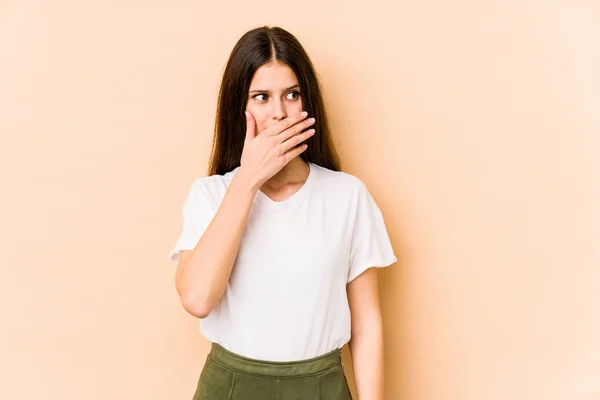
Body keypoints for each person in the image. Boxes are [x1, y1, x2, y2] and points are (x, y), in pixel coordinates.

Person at [169, 25, 397, 400]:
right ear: (239, 109)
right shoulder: (211, 195)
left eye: (291, 95)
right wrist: (248, 181)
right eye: (261, 97)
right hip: (230, 388)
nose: (279, 113)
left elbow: (367, 323)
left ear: (307, 103)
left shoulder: (347, 196)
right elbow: (196, 299)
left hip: (321, 386)